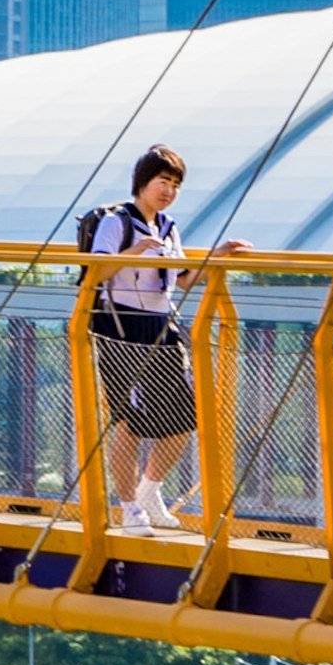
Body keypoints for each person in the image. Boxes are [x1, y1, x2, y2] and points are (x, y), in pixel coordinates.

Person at [77, 144, 244, 531]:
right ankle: (129, 507)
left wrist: (217, 256)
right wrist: (135, 252)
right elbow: (94, 274)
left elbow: (182, 280)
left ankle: (150, 491)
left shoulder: (168, 227)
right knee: (130, 423)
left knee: (184, 417)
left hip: (162, 326)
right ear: (143, 183)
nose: (167, 190)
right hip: (121, 327)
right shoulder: (117, 221)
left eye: (174, 184)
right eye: (161, 181)